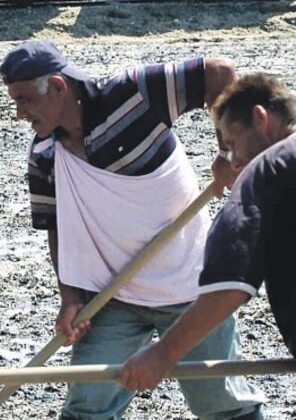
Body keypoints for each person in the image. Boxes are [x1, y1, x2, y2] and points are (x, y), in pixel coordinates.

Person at [0, 40, 264, 420]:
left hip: (190, 283)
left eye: (24, 99)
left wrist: (228, 155)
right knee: (88, 404)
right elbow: (56, 227)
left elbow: (219, 73)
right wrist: (71, 298)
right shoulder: (45, 155)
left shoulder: (132, 94)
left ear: (57, 87)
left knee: (220, 400)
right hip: (113, 295)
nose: (19, 113)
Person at [119, 73, 296, 391]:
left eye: (232, 143)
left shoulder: (267, 169)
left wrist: (163, 354)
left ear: (260, 117)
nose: (235, 160)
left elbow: (229, 284)